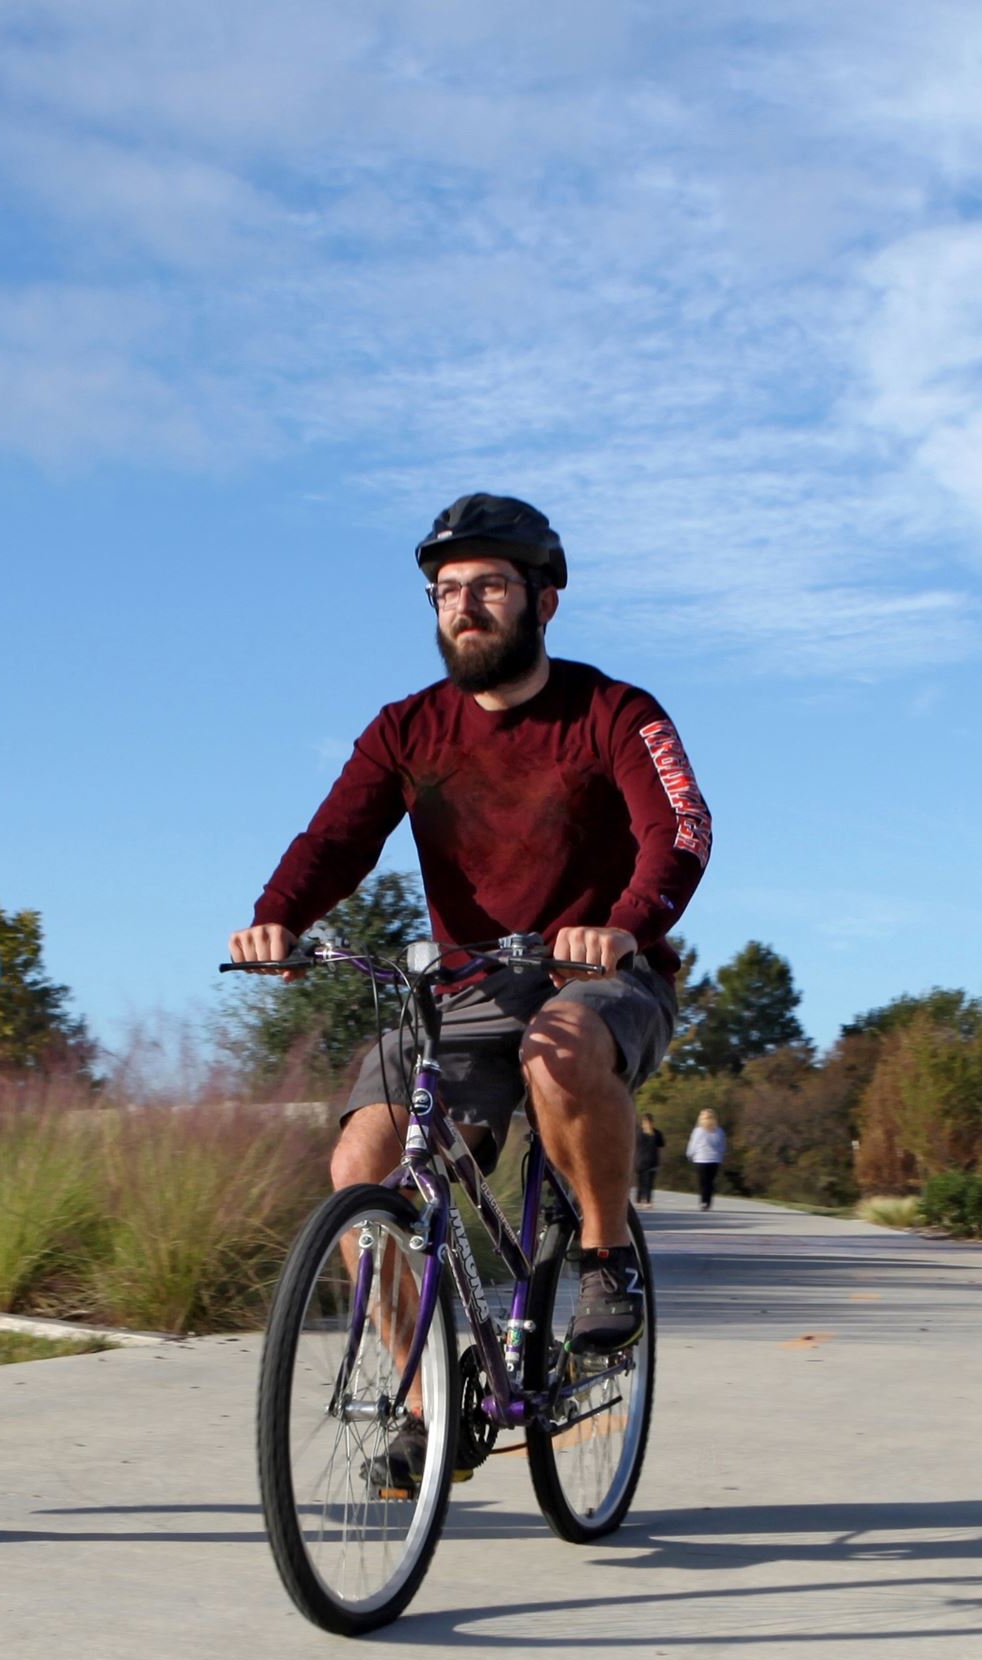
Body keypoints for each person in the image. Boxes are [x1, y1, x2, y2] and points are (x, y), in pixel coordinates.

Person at [228, 494, 711, 1355]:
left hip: (595, 974)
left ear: (543, 599)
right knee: (362, 1172)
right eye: (447, 590)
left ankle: (605, 1254)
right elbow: (336, 838)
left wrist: (628, 924)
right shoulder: (406, 730)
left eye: (488, 585)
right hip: (466, 987)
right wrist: (277, 918)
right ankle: (422, 1407)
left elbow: (680, 829)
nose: (464, 606)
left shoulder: (615, 712)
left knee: (557, 1049)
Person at [687, 1108, 727, 1210]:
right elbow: (722, 1146)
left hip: (701, 1159)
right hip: (714, 1159)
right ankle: (707, 1202)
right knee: (710, 1182)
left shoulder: (698, 1131)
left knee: (703, 1182)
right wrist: (720, 1155)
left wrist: (690, 1154)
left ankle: (703, 1202)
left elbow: (693, 1144)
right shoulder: (719, 1131)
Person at [633, 1110, 665, 1206]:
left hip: (647, 1161)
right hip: (643, 1161)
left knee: (646, 1182)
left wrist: (662, 1159)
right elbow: (661, 1149)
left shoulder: (655, 1134)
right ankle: (643, 1199)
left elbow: (661, 1148)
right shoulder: (640, 1134)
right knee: (644, 1182)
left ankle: (645, 1199)